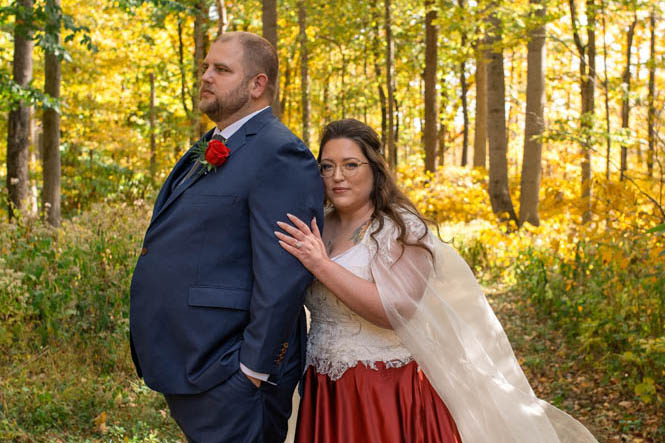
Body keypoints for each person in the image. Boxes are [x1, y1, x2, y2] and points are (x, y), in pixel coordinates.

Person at [275, 119, 598, 443]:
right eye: (327, 166)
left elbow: (394, 310)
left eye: (350, 165)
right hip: (322, 389)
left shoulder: (400, 229)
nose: (337, 177)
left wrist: (321, 264)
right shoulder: (317, 225)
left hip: (384, 390)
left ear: (375, 169)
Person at [129, 31, 323, 443]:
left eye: (221, 69)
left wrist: (251, 371)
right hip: (191, 363)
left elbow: (283, 276)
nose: (206, 76)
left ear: (257, 84)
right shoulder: (213, 144)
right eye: (205, 67)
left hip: (228, 375)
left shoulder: (279, 153)